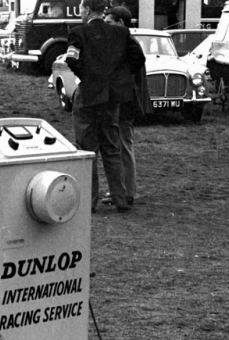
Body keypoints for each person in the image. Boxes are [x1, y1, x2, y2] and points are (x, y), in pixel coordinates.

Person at [65, 0, 145, 213]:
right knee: (111, 147)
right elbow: (138, 57)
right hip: (111, 97)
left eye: (81, 9)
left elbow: (71, 60)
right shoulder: (120, 33)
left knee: (87, 149)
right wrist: (119, 78)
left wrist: (88, 77)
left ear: (88, 10)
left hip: (88, 96)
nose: (80, 13)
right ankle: (120, 198)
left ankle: (90, 202)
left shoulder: (77, 33)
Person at [103, 5, 150, 206]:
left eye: (109, 22)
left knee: (123, 146)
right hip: (123, 101)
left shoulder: (128, 45)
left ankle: (127, 191)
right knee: (120, 146)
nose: (106, 27)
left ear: (120, 23)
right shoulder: (126, 43)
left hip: (125, 103)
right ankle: (122, 189)